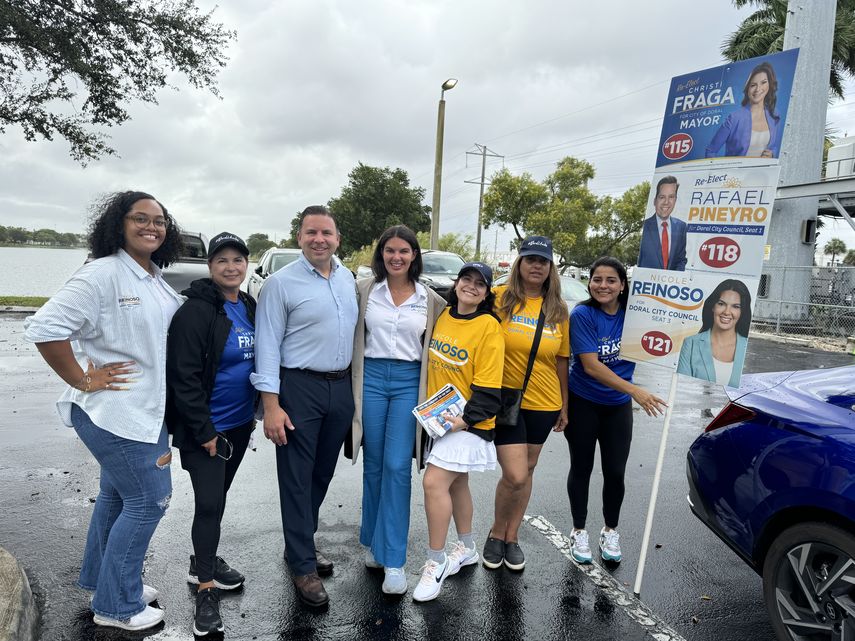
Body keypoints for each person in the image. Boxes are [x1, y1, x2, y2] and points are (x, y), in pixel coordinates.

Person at [23, 191, 184, 631]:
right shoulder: (103, 273)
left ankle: (107, 579)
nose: (152, 227)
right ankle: (117, 606)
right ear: (118, 223)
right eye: (140, 218)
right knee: (150, 500)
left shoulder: (150, 275)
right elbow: (44, 326)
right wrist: (80, 377)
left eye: (159, 221)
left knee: (117, 496)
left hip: (144, 410)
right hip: (117, 413)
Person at [251, 205, 358, 608]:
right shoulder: (280, 283)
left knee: (320, 474)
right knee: (296, 476)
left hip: (340, 387)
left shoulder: (348, 278)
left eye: (326, 233)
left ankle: (301, 544)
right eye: (311, 232)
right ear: (299, 237)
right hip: (298, 387)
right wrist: (271, 405)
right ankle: (302, 565)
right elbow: (267, 345)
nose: (319, 240)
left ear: (337, 239)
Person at [166, 232, 256, 635]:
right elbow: (182, 377)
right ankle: (205, 588)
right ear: (210, 266)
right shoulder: (195, 312)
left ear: (247, 265)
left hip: (238, 424)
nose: (231, 267)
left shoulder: (248, 305)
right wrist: (203, 431)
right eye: (222, 260)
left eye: (238, 260)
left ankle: (202, 559)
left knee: (217, 500)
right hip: (208, 430)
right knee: (206, 505)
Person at [349, 225, 447, 595]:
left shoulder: (431, 300)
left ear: (414, 257)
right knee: (374, 464)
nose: (396, 257)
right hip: (370, 378)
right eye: (390, 251)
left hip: (409, 381)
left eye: (404, 251)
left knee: (396, 467)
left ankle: (395, 560)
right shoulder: (363, 291)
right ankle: (375, 543)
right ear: (381, 254)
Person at [412, 262, 505, 603]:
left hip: (468, 422)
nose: (472, 286)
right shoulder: (446, 315)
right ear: (457, 283)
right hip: (442, 420)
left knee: (434, 483)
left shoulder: (488, 327)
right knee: (458, 481)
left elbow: (490, 386)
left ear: (486, 293)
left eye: (480, 284)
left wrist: (465, 421)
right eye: (467, 279)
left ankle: (436, 562)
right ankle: (466, 547)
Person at [566, 257, 667, 565]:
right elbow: (591, 366)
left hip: (616, 408)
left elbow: (670, 332)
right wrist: (635, 390)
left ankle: (610, 530)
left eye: (611, 280)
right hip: (583, 402)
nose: (603, 286)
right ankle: (579, 531)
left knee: (615, 472)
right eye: (597, 279)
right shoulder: (582, 314)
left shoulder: (634, 316)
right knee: (581, 468)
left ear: (623, 285)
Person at [484, 236, 569, 571]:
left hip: (544, 401)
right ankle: (495, 531)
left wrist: (565, 404)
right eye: (530, 259)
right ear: (519, 264)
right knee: (516, 474)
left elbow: (562, 361)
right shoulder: (498, 300)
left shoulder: (559, 311)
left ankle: (512, 536)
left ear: (550, 269)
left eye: (543, 261)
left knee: (528, 470)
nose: (536, 265)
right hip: (505, 400)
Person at [676, 279, 751, 387]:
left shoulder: (747, 347)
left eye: (735, 306)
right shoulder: (691, 343)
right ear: (713, 306)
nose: (726, 312)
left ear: (742, 312)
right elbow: (682, 388)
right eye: (721, 304)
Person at [705, 62, 781, 158]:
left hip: (762, 172)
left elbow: (774, 146)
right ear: (747, 88)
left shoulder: (774, 115)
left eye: (763, 82)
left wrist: (772, 153)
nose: (758, 89)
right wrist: (720, 172)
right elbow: (711, 151)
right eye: (753, 85)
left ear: (769, 84)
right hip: (736, 172)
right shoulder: (734, 118)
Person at [638, 175, 688, 271]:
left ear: (675, 200)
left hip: (669, 284)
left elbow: (681, 260)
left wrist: (674, 278)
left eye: (671, 197)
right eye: (662, 197)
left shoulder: (681, 227)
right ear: (655, 200)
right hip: (646, 282)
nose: (666, 202)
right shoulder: (644, 225)